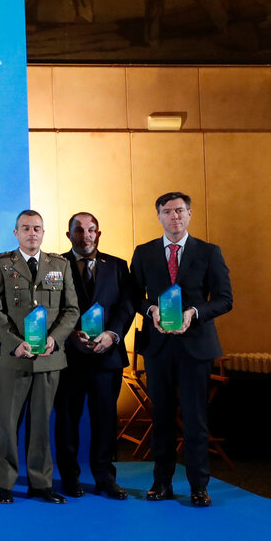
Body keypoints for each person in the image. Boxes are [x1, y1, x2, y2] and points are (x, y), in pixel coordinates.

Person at [131, 191, 233, 507]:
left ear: (189, 214)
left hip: (195, 346)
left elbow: (224, 298)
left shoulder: (208, 251)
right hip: (158, 346)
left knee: (195, 419)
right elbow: (134, 296)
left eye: (180, 210)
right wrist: (151, 311)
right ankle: (161, 483)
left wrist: (195, 313)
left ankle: (198, 486)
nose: (174, 216)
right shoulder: (144, 252)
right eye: (167, 211)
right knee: (161, 418)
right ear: (158, 216)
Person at [0, 210, 79, 504]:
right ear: (16, 233)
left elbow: (71, 310)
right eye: (25, 228)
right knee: (8, 423)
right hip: (14, 357)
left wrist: (54, 338)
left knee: (41, 424)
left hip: (49, 358)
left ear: (43, 232)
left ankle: (40, 482)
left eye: (37, 228)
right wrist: (14, 343)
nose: (32, 233)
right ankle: (6, 483)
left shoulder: (60, 265)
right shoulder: (1, 264)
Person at [54, 212, 134, 500]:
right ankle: (70, 478)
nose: (86, 236)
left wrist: (112, 335)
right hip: (68, 358)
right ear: (69, 235)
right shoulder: (55, 265)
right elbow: (53, 309)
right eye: (79, 230)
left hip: (106, 357)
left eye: (91, 230)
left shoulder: (117, 266)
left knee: (105, 421)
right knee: (67, 421)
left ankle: (104, 477)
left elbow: (126, 307)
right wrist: (71, 334)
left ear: (98, 234)